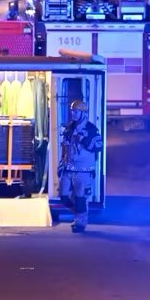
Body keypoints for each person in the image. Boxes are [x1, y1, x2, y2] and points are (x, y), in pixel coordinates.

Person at [59, 100, 103, 234]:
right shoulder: (70, 127)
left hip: (84, 169)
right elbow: (65, 146)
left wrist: (83, 139)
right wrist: (62, 163)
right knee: (63, 196)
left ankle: (80, 221)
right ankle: (81, 213)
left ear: (83, 113)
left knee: (79, 196)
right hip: (69, 167)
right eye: (72, 111)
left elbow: (98, 146)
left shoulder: (91, 129)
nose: (73, 114)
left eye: (76, 111)